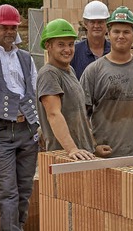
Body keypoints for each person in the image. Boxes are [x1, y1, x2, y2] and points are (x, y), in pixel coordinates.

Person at [0, 4, 39, 230]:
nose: (10, 32)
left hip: (27, 129)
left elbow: (34, 93)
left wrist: (39, 127)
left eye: (13, 27)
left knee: (25, 190)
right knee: (8, 192)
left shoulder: (26, 58)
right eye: (5, 27)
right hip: (1, 131)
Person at [80, 6, 133, 157]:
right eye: (116, 31)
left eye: (126, 32)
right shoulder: (94, 71)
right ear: (108, 34)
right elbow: (82, 113)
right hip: (105, 154)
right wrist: (93, 144)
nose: (121, 36)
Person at [37, 19, 95, 160]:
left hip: (82, 153)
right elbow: (53, 114)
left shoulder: (70, 70)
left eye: (70, 44)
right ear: (48, 46)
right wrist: (72, 149)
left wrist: (93, 144)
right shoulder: (49, 74)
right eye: (61, 45)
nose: (67, 50)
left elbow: (79, 114)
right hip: (66, 156)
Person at [70, 0, 111, 79]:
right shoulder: (75, 52)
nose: (96, 26)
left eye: (100, 22)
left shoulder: (114, 50)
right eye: (92, 22)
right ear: (85, 24)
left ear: (106, 24)